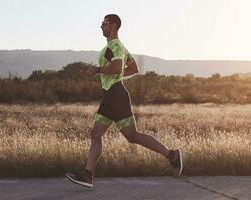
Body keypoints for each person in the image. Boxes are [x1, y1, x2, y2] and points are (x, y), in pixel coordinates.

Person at [66, 14, 183, 188]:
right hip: (111, 95)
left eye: (104, 23)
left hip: (116, 95)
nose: (101, 26)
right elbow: (133, 68)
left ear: (113, 25)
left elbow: (116, 67)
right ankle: (87, 176)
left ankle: (172, 155)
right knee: (96, 134)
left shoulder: (115, 45)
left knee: (132, 136)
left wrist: (98, 70)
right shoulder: (118, 47)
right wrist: (117, 74)